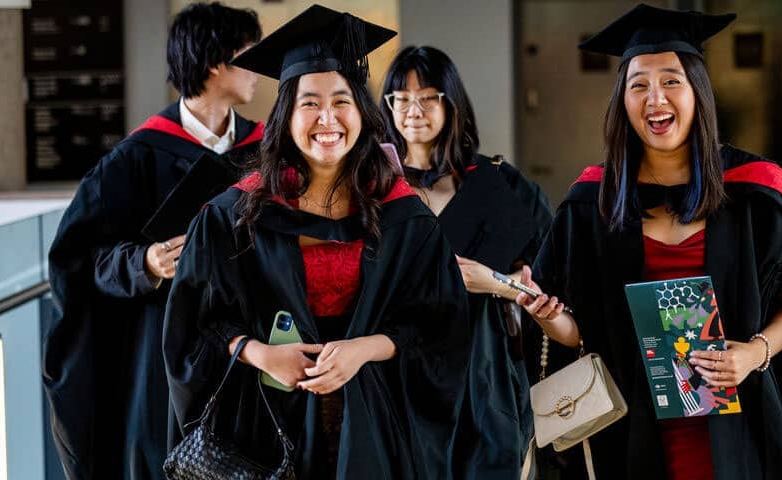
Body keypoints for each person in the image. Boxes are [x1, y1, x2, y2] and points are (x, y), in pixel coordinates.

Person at [517, 4, 782, 479]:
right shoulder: (594, 202)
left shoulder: (754, 189)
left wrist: (752, 354)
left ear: (698, 93)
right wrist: (547, 317)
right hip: (633, 430)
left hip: (742, 425)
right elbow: (580, 333)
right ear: (621, 103)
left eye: (671, 81)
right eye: (638, 85)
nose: (655, 98)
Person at [163, 5, 471, 479]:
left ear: (363, 113)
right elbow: (195, 323)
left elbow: (439, 326)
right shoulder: (237, 216)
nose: (327, 118)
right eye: (309, 103)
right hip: (265, 429)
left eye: (341, 101)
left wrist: (365, 348)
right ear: (286, 115)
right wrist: (260, 353)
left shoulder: (403, 216)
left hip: (373, 427)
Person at [44, 3, 262, 478]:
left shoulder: (263, 151)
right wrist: (144, 263)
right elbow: (83, 261)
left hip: (252, 347)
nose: (260, 66)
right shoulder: (135, 159)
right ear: (215, 62)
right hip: (162, 353)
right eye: (250, 51)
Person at [380, 46, 552, 479]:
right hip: (399, 370)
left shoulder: (500, 184)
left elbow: (544, 286)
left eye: (428, 97)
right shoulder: (373, 191)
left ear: (451, 103)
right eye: (400, 98)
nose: (412, 110)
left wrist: (492, 281)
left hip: (484, 370)